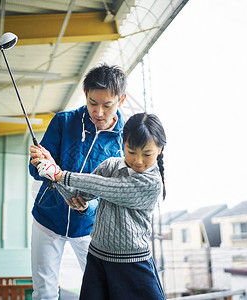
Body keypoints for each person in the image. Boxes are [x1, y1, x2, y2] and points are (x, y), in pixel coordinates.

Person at [34, 112, 167, 300]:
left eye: (147, 154)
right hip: (97, 259)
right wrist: (51, 171)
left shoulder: (152, 183)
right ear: (123, 143)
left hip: (132, 264)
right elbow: (78, 195)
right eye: (131, 151)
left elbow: (109, 188)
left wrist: (60, 175)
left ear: (160, 149)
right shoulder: (111, 166)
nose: (138, 160)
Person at [28, 63, 127, 300]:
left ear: (121, 101)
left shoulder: (125, 143)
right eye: (93, 103)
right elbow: (35, 172)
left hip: (91, 229)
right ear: (85, 95)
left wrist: (88, 206)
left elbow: (116, 193)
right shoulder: (64, 121)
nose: (99, 112)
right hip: (48, 219)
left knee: (102, 291)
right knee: (44, 290)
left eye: (107, 105)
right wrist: (40, 164)